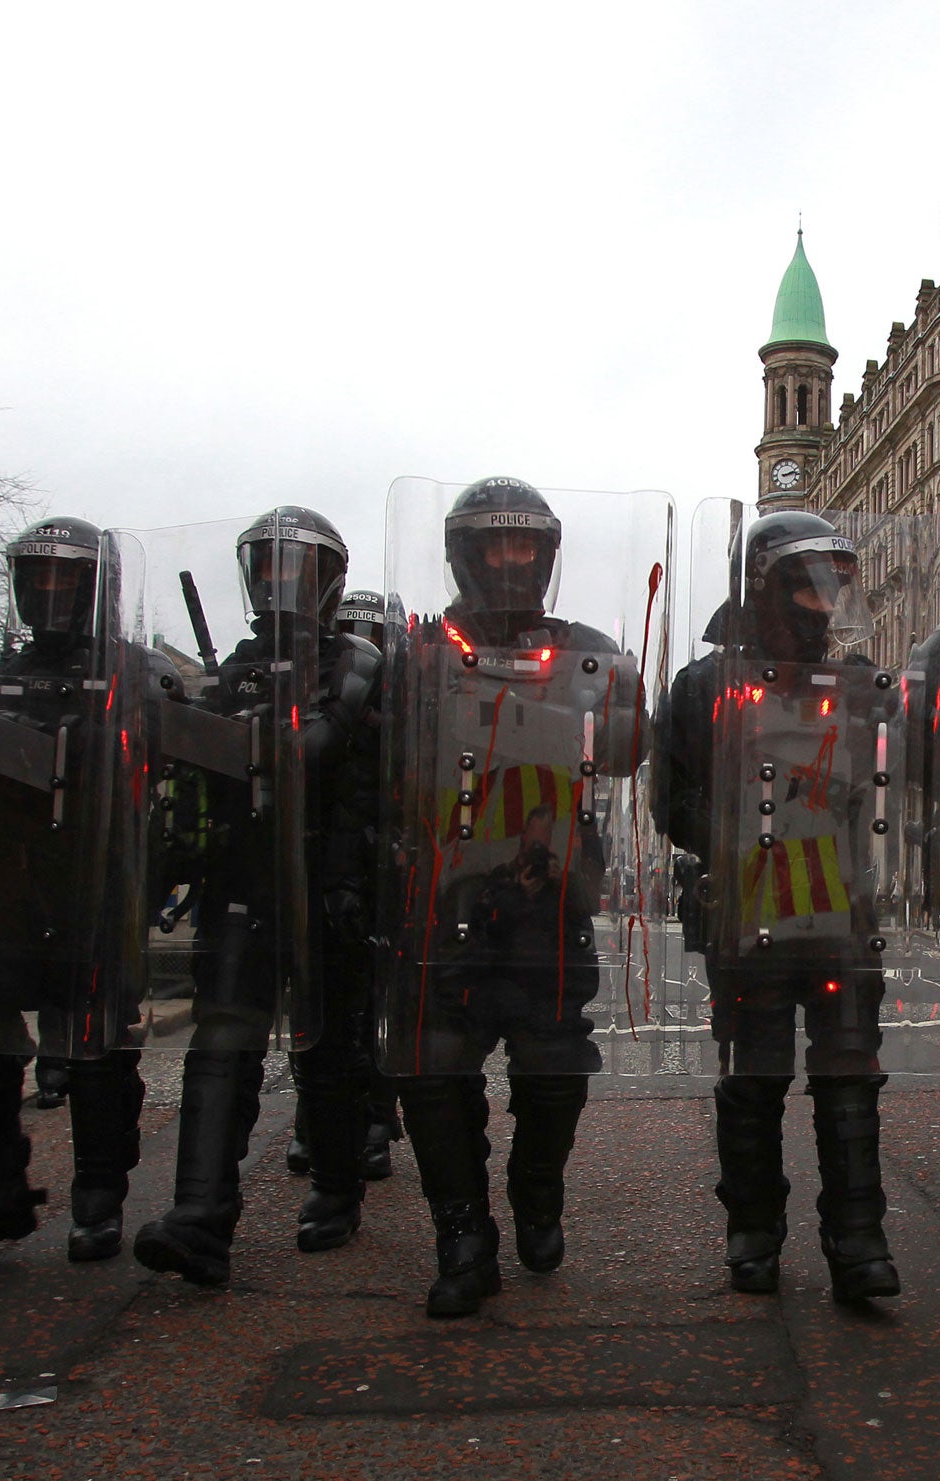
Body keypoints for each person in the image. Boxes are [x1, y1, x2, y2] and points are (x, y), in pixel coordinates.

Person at [381, 476, 647, 1317]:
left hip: (549, 902)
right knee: (432, 1069)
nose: (508, 560)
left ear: (547, 554)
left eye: (524, 545)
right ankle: (463, 1236)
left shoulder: (584, 651)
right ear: (464, 554)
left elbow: (636, 748)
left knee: (554, 1067)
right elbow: (376, 766)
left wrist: (632, 697)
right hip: (443, 901)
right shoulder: (420, 654)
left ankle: (537, 1186)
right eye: (493, 545)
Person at [655, 510, 901, 1303]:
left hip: (841, 909)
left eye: (831, 584)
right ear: (761, 587)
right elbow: (670, 801)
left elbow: (889, 786)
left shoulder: (860, 684)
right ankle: (753, 1229)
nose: (820, 601)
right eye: (802, 583)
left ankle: (858, 1237)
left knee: (850, 1074)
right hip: (752, 909)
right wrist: (739, 841)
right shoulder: (702, 686)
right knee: (755, 1077)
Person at [132, 507, 383, 1283]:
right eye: (268, 568)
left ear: (328, 581)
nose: (279, 584)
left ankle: (338, 1189)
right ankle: (200, 1215)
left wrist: (350, 882)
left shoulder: (358, 664)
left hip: (328, 886)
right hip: (241, 881)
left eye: (296, 571)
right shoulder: (232, 670)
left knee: (330, 1053)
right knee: (221, 1045)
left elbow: (347, 766)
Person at [0, 517, 148, 1267]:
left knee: (95, 1047)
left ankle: (98, 1194)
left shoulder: (134, 675)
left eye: (67, 579)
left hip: (92, 885)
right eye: (39, 578)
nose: (51, 592)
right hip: (5, 887)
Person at [282, 588, 404, 1181]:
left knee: (381, 1005)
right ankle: (317, 1120)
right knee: (324, 1005)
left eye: (376, 635)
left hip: (388, 869)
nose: (367, 647)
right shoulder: (321, 694)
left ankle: (378, 1118)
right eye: (357, 632)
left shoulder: (407, 703)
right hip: (328, 861)